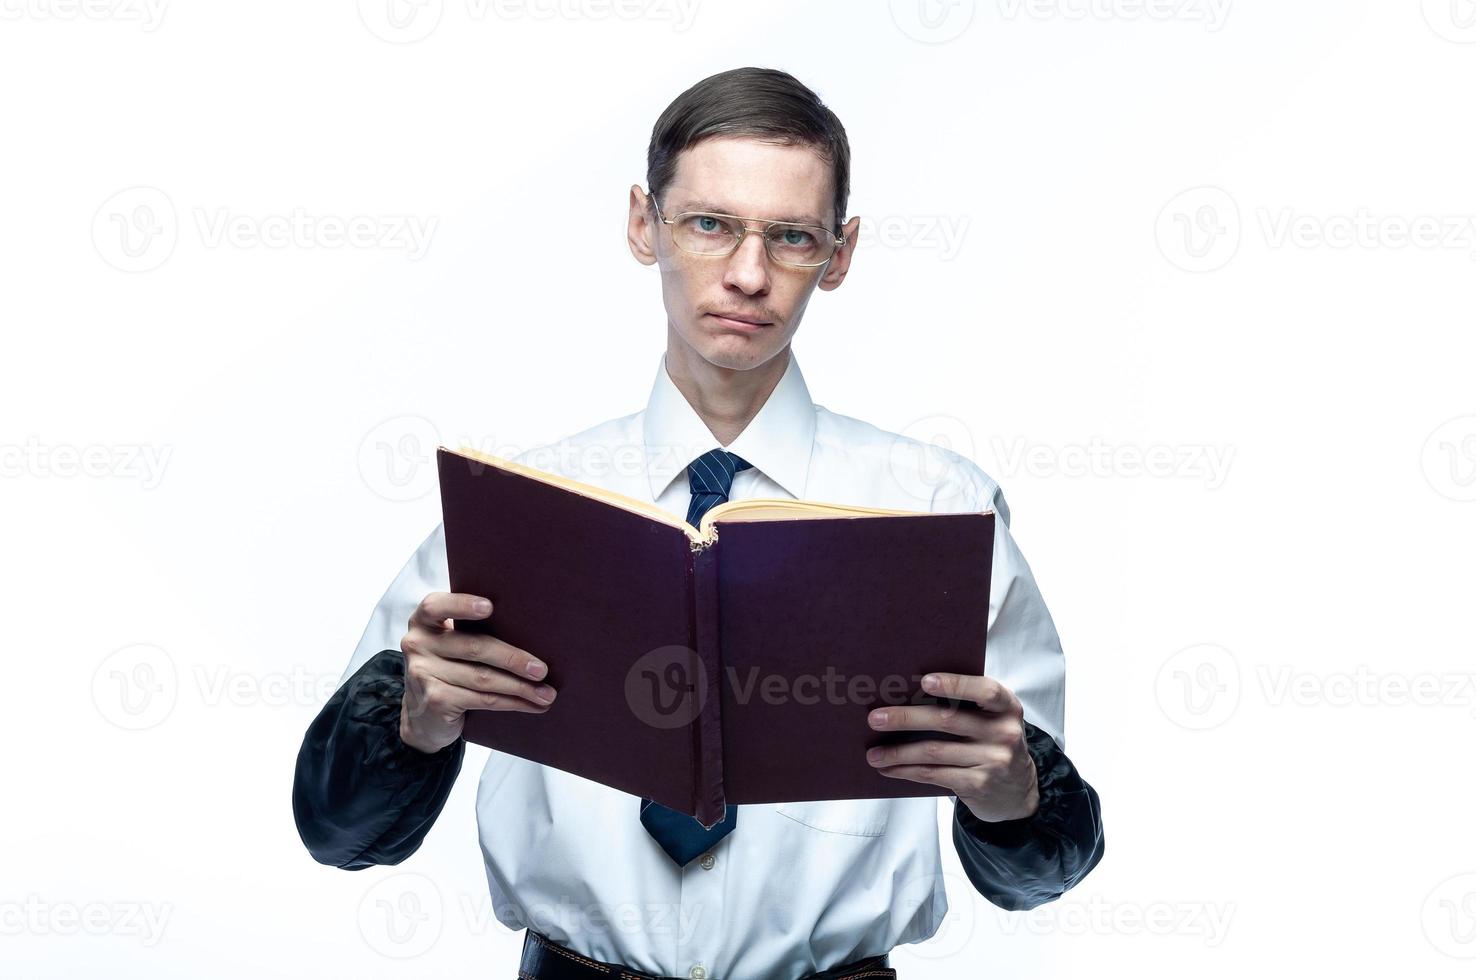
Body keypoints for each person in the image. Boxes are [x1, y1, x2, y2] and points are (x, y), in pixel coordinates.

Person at [293, 66, 1104, 980]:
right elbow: (338, 834)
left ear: (839, 255)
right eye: (710, 224)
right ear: (645, 223)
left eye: (793, 236)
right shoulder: (521, 509)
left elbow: (1045, 875)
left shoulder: (939, 511)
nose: (749, 275)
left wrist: (1014, 789)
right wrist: (416, 718)